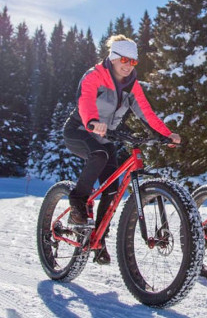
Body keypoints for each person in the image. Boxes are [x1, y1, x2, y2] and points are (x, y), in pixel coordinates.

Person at [63, 34, 181, 265]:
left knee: (112, 189)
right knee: (99, 155)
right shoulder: (94, 75)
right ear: (113, 57)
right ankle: (77, 200)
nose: (128, 66)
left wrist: (166, 134)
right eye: (124, 60)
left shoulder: (132, 86)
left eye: (133, 61)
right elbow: (85, 100)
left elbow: (147, 113)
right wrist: (92, 121)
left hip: (106, 137)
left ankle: (98, 239)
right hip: (80, 130)